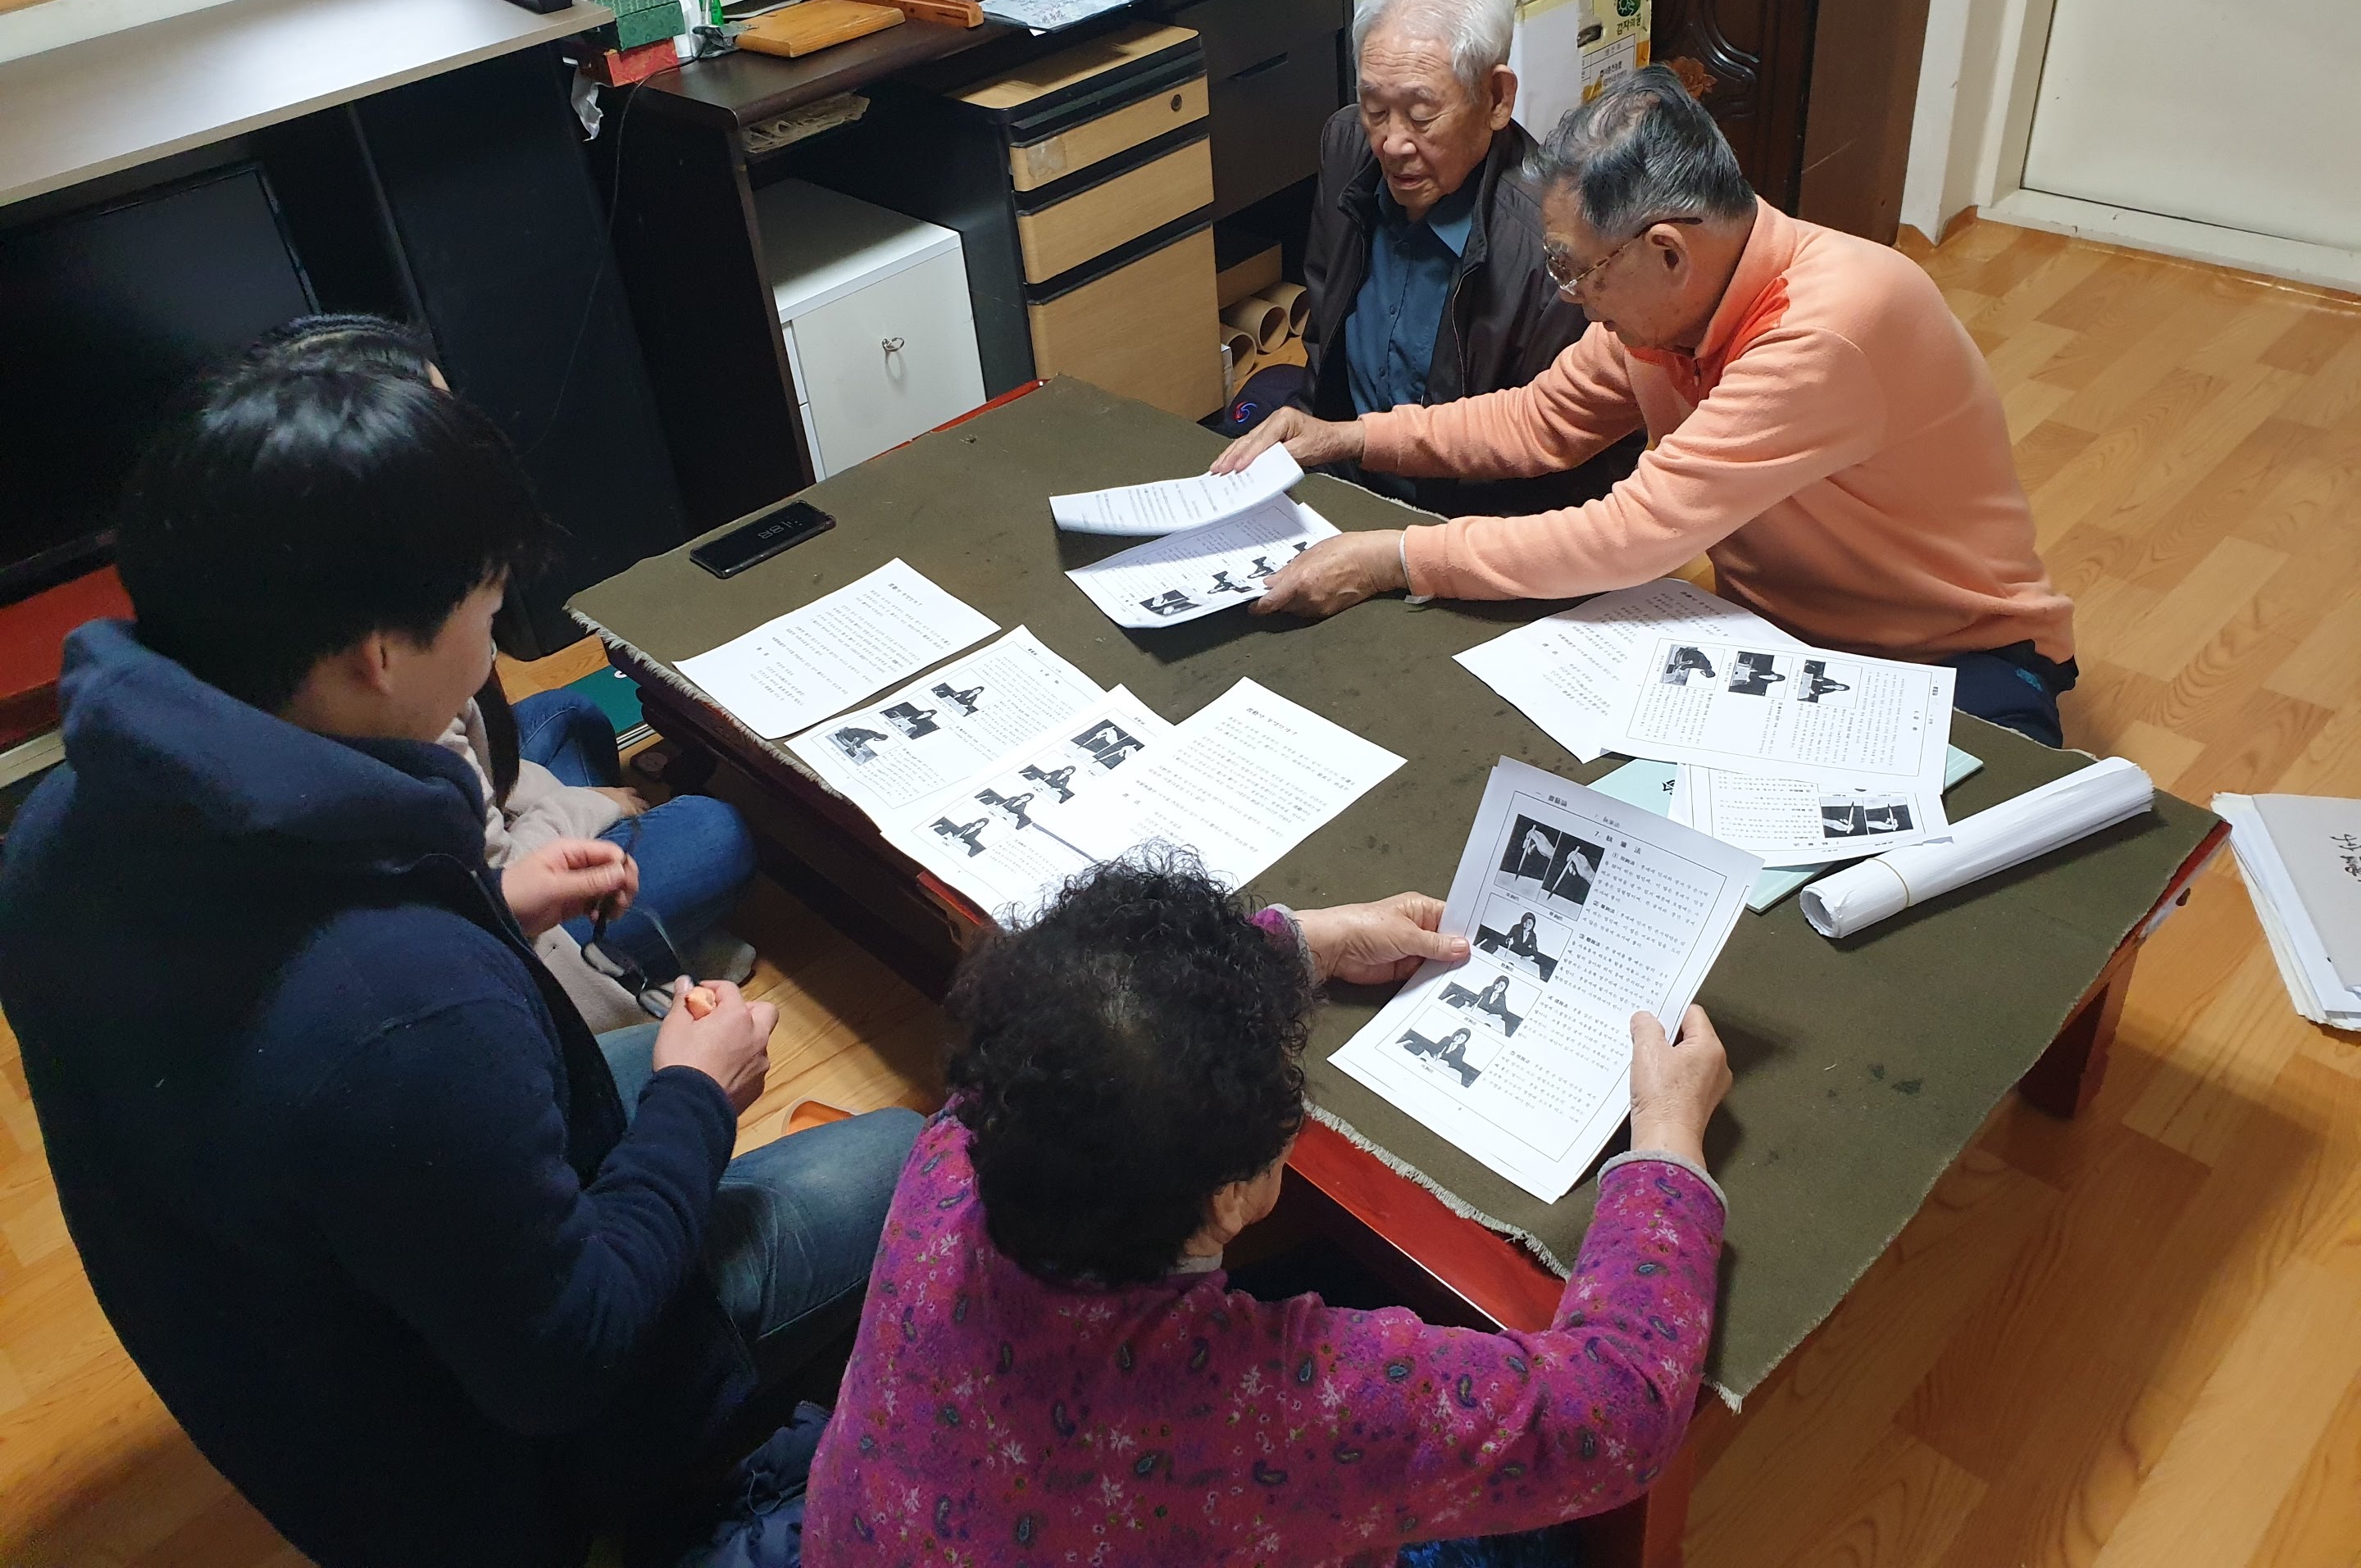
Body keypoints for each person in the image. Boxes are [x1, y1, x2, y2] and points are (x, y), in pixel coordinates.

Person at [0, 350, 922, 1567]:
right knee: (907, 1154)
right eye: (488, 615)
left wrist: (495, 907)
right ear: (378, 657)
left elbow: (317, 1067)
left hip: (290, 1353)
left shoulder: (59, 824)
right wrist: (698, 1097)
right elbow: (569, 1356)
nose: (492, 653)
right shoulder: (403, 1012)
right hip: (479, 1474)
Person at [802, 861, 1733, 1562]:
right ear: (1231, 1198)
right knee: (1544, 1544)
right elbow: (1617, 1419)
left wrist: (1302, 944)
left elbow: (1086, 1012)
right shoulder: (1279, 1405)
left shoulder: (961, 1147)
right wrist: (1665, 1141)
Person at [1219, 66, 2079, 746]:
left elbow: (1632, 534)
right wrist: (1348, 437)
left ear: (1666, 251)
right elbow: (1540, 421)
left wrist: (1395, 557)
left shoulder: (1825, 329)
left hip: (1945, 655)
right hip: (1770, 637)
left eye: (1574, 270)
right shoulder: (1673, 306)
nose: (1571, 298)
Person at [244, 315, 759, 1029]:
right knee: (714, 831)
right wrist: (593, 810)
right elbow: (501, 893)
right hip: (513, 926)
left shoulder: (317, 610)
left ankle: (649, 925)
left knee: (570, 717)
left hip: (483, 847)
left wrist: (566, 806)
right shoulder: (398, 728)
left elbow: (487, 778)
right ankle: (651, 952)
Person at [1293, 0, 1638, 517]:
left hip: (1468, 524)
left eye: (1421, 115)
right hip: (1343, 482)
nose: (1392, 144)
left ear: (1497, 99)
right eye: (1375, 109)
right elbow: (1323, 335)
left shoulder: (1556, 242)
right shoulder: (1346, 146)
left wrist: (1418, 548)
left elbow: (1568, 465)